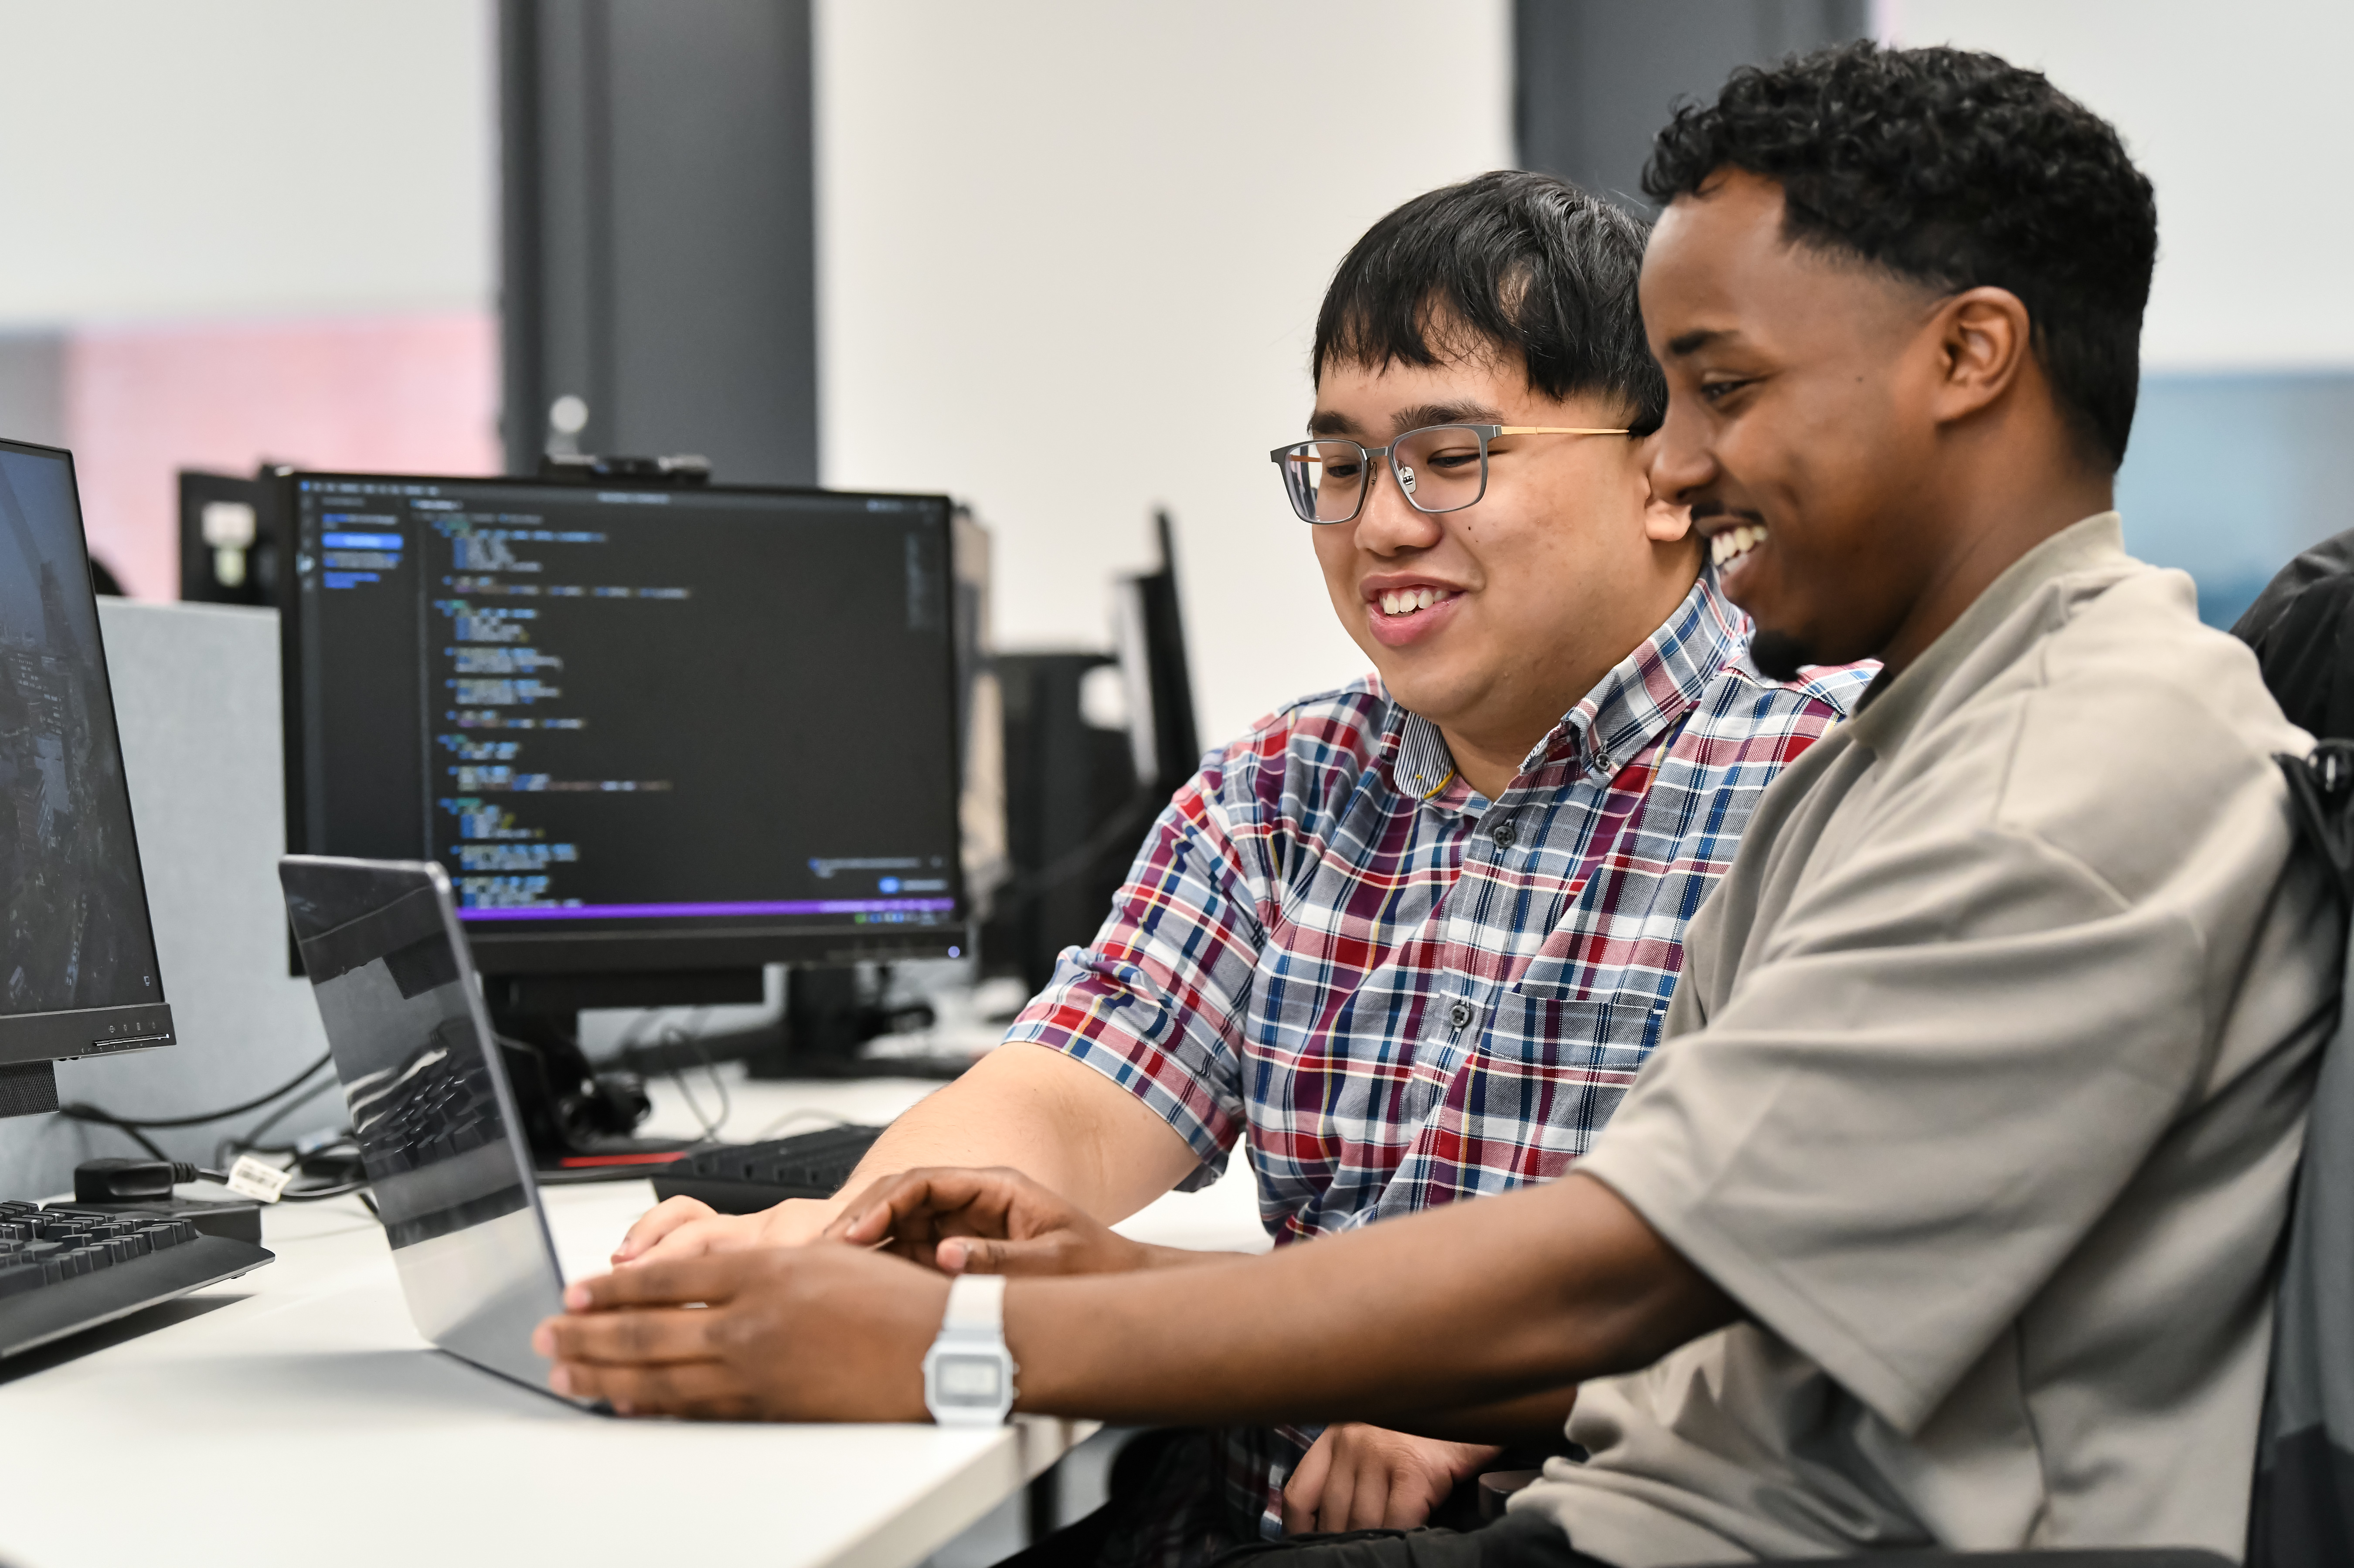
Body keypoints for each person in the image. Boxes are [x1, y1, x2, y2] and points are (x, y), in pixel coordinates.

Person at [537, 40, 2344, 1566]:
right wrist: (1047, 1281)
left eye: (1719, 393)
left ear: (1967, 360)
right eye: (1337, 466)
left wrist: (968, 1347)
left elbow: (1613, 1287)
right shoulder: (1923, 745)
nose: (1693, 463)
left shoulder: (2031, 777)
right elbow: (1692, 1325)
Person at [614, 170, 1864, 1554]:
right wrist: (830, 1243)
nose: (1381, 525)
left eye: (1451, 455)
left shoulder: (1823, 788)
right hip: (1248, 1513)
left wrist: (1476, 1387)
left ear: (1665, 474)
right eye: (1340, 466)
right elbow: (1076, 1093)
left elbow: (1809, 1294)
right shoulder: (1287, 788)